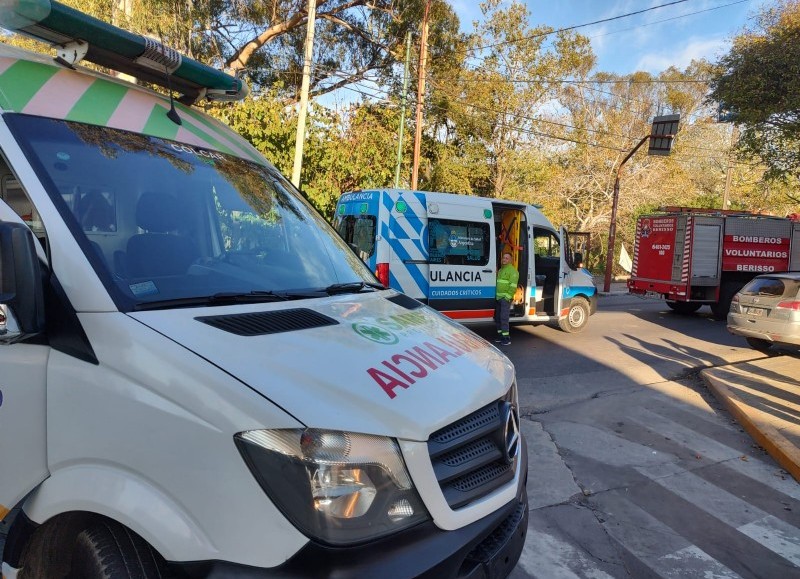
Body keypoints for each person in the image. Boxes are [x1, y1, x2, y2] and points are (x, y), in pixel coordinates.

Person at [495, 248, 519, 346]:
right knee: (498, 318)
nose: (504, 259)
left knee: (504, 318)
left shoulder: (513, 271)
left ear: (510, 260)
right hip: (498, 298)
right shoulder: (501, 270)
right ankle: (500, 335)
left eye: (506, 258)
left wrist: (507, 297)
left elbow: (513, 286)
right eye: (503, 258)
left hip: (505, 298)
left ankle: (506, 338)